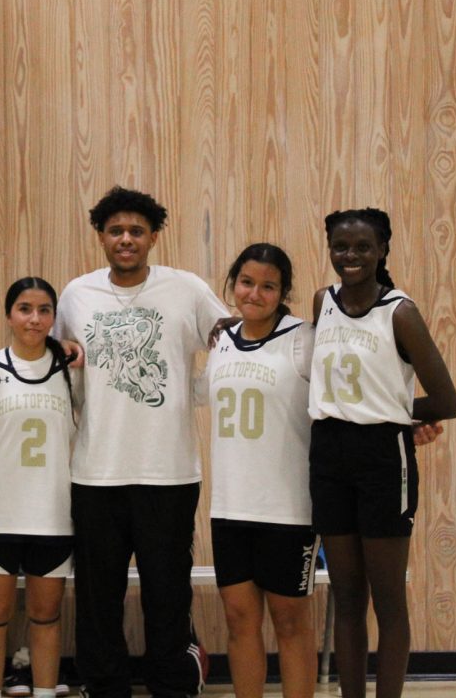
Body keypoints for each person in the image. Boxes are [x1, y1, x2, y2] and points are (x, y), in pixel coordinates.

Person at [53, 186, 227, 698]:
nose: (125, 239)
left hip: (168, 473)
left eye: (136, 231)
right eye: (115, 231)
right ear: (102, 237)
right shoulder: (77, 294)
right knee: (97, 595)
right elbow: (64, 367)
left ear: (153, 236)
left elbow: (230, 340)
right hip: (96, 472)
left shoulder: (186, 289)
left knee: (167, 593)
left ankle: (171, 686)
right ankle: (105, 687)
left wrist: (195, 390)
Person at [308, 208, 456, 698]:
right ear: (329, 248)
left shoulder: (400, 312)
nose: (350, 256)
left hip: (381, 457)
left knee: (388, 599)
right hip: (328, 453)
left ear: (382, 250)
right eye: (340, 246)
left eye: (362, 247)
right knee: (347, 596)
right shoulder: (322, 301)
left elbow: (447, 401)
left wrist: (392, 411)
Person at [197, 244, 318, 698]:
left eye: (268, 286)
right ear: (233, 284)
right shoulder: (221, 341)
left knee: (290, 622)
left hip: (288, 508)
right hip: (230, 506)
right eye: (247, 282)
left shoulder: (304, 338)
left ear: (283, 292)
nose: (255, 293)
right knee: (239, 620)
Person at [0, 277, 81, 698]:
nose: (35, 319)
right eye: (24, 308)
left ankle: (45, 691)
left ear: (54, 317)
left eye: (44, 310)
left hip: (52, 513)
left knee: (45, 614)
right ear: (9, 314)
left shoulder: (70, 372)